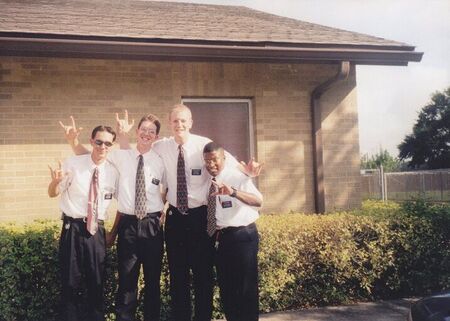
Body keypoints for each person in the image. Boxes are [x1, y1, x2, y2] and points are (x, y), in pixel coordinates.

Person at [117, 104, 262, 321]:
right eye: (175, 121)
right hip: (175, 219)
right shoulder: (161, 146)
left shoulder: (203, 145)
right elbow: (136, 152)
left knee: (203, 276)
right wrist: (122, 136)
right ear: (169, 123)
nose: (179, 125)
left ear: (191, 122)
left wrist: (247, 173)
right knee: (178, 277)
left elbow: (227, 163)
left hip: (200, 218)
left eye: (183, 121)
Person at [60, 113, 166, 321]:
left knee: (153, 281)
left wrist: (162, 210)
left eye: (151, 131)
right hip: (128, 225)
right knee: (127, 280)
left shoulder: (161, 162)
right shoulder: (120, 156)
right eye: (143, 129)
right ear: (137, 132)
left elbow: (167, 190)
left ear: (156, 136)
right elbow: (92, 156)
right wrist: (73, 141)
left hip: (153, 224)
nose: (146, 134)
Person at [48, 125, 119, 321]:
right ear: (91, 141)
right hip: (73, 228)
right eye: (98, 142)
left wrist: (113, 232)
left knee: (96, 283)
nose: (102, 146)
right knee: (70, 284)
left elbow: (124, 203)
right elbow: (53, 193)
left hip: (96, 231)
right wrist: (55, 182)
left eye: (107, 143)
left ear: (111, 146)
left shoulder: (114, 171)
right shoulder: (73, 163)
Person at [203, 141, 262, 321]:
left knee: (245, 290)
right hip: (223, 238)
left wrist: (233, 192)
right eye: (207, 161)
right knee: (227, 290)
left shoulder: (237, 176)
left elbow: (258, 201)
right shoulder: (210, 180)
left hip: (243, 236)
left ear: (224, 158)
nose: (211, 164)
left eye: (215, 160)